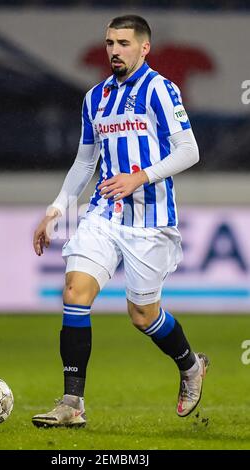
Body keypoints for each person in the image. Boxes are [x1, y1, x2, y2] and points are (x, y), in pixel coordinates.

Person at [32, 14, 209, 428]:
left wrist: (140, 177)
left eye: (124, 43)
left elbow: (189, 150)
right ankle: (72, 404)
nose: (114, 50)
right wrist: (56, 209)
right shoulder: (95, 97)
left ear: (144, 48)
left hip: (150, 220)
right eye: (110, 42)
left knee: (143, 315)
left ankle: (190, 366)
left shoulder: (160, 91)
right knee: (75, 292)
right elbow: (84, 160)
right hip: (103, 214)